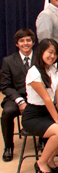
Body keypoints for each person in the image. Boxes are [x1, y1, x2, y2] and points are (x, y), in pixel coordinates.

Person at [21, 39, 58, 173]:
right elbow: (46, 99)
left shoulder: (55, 69)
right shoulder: (33, 72)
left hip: (49, 113)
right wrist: (57, 118)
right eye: (50, 52)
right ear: (41, 52)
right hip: (34, 115)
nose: (52, 56)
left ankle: (50, 158)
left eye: (55, 53)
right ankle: (41, 162)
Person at [0, 29, 36, 161]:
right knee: (7, 112)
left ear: (33, 42)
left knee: (48, 108)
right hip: (16, 97)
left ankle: (44, 141)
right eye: (22, 41)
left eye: (28, 40)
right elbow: (5, 86)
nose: (25, 43)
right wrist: (20, 101)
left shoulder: (41, 57)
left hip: (38, 96)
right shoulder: (8, 61)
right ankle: (8, 147)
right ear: (17, 44)